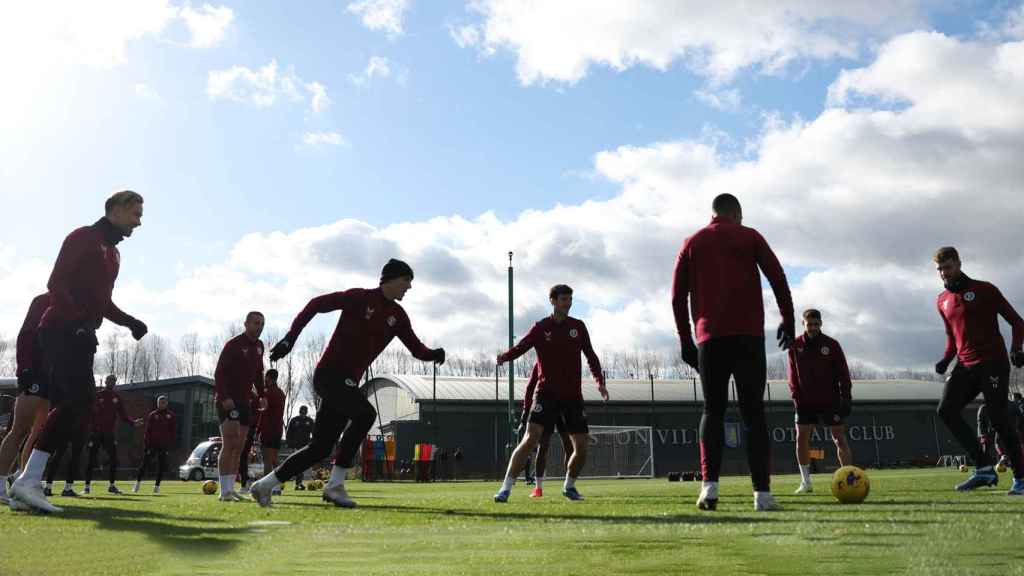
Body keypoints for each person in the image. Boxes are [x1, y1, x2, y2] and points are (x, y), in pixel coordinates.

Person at [250, 259, 445, 508]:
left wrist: (434, 354)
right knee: (365, 415)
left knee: (320, 448)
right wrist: (290, 338)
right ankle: (335, 485)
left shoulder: (398, 315)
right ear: (392, 279)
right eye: (407, 281)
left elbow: (416, 348)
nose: (409, 287)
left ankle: (264, 485)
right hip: (329, 375)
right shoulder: (359, 298)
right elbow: (315, 305)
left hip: (347, 384)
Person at [9, 191, 148, 513]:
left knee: (80, 404)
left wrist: (130, 322)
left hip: (83, 333)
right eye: (135, 214)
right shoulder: (82, 237)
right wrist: (76, 322)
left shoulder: (113, 254)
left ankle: (26, 482)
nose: (139, 222)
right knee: (75, 401)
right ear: (115, 210)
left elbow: (103, 303)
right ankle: (27, 481)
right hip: (59, 328)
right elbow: (55, 282)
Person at [671, 193, 794, 511]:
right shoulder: (750, 235)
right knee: (753, 411)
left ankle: (709, 489)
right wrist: (788, 319)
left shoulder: (692, 242)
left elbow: (677, 297)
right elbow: (778, 278)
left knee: (713, 410)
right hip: (749, 336)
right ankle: (762, 495)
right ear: (737, 214)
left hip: (710, 339)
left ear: (712, 213)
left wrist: (686, 340)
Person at [493, 284, 608, 503]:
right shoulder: (541, 327)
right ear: (553, 301)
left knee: (581, 447)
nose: (568, 303)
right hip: (546, 394)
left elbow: (591, 356)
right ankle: (505, 488)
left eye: (570, 299)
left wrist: (600, 383)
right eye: (564, 299)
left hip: (573, 397)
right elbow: (522, 346)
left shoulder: (578, 327)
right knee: (530, 439)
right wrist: (505, 357)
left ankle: (569, 486)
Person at [932, 246, 1024, 494]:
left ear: (959, 264)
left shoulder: (984, 290)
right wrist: (945, 359)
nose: (944, 273)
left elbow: (1017, 322)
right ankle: (984, 469)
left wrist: (1016, 348)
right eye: (939, 269)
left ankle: (1021, 479)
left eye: (947, 267)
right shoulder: (942, 301)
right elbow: (953, 337)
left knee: (998, 417)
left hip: (993, 362)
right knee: (946, 411)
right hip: (965, 364)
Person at [787, 309, 853, 494]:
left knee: (840, 438)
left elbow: (843, 373)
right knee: (801, 440)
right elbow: (792, 377)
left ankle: (848, 479)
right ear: (804, 324)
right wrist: (796, 398)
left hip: (830, 400)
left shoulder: (831, 345)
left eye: (816, 324)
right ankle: (806, 482)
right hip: (805, 402)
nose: (813, 327)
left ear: (821, 324)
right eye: (810, 324)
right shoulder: (795, 345)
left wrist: (846, 398)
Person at [0, 294, 51, 506]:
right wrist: (25, 368)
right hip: (35, 373)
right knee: (19, 430)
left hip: (54, 377)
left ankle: (22, 482)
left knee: (39, 435)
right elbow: (25, 335)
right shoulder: (43, 301)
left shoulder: (78, 302)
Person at [213, 311, 266, 502]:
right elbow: (219, 373)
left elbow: (259, 373)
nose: (258, 327)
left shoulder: (260, 347)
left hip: (245, 401)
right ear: (246, 324)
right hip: (228, 400)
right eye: (255, 323)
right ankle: (223, 491)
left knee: (240, 446)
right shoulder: (233, 345)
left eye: (261, 324)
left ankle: (230, 488)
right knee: (229, 443)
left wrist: (261, 395)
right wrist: (224, 397)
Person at [519, 362, 573, 498]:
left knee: (568, 445)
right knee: (543, 446)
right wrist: (525, 414)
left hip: (564, 406)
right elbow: (530, 386)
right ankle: (538, 488)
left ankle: (569, 485)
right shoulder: (541, 361)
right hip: (547, 405)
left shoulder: (567, 359)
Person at [83, 374, 144, 495]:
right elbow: (90, 414)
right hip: (96, 433)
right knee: (91, 460)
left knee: (114, 459)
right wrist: (89, 430)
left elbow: (123, 415)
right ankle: (87, 487)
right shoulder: (98, 395)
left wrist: (133, 423)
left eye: (114, 381)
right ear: (105, 381)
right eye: (110, 380)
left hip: (109, 434)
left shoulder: (117, 397)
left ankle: (111, 486)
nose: (112, 382)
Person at [133, 395, 176, 494]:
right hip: (151, 444)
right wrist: (146, 444)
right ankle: (137, 484)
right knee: (144, 464)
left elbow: (173, 431)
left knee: (161, 466)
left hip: (164, 445)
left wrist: (170, 444)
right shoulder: (152, 415)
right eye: (160, 402)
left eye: (164, 402)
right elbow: (148, 431)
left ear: (167, 403)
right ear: (157, 403)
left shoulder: (171, 415)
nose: (162, 404)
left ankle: (157, 487)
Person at [41, 414, 89, 498]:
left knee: (59, 455)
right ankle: (67, 488)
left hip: (65, 424)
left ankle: (48, 487)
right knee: (73, 457)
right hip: (77, 426)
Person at [257, 369, 286, 494]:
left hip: (268, 429)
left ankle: (266, 487)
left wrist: (257, 430)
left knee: (267, 460)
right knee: (275, 459)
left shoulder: (267, 393)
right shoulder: (281, 393)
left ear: (268, 378)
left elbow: (263, 412)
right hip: (278, 429)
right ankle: (277, 486)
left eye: (265, 378)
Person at [285, 405, 314, 490]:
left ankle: (299, 483)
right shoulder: (294, 420)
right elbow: (289, 433)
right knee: (297, 464)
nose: (303, 413)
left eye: (304, 411)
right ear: (299, 411)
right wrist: (289, 444)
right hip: (295, 446)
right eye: (302, 411)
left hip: (306, 446)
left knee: (301, 464)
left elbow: (315, 433)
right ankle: (297, 482)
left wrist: (312, 443)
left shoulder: (310, 421)